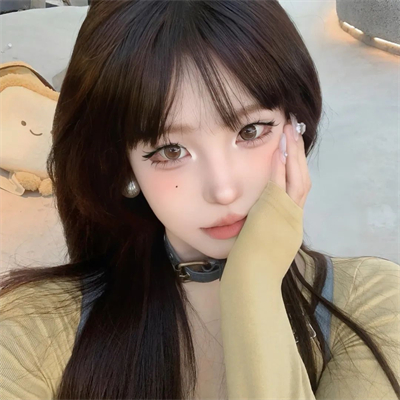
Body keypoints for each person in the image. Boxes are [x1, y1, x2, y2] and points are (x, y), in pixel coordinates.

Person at [0, 1, 399, 399]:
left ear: (296, 126)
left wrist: (253, 285)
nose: (223, 190)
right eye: (171, 151)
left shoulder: (370, 302)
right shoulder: (37, 326)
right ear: (124, 167)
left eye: (250, 131)